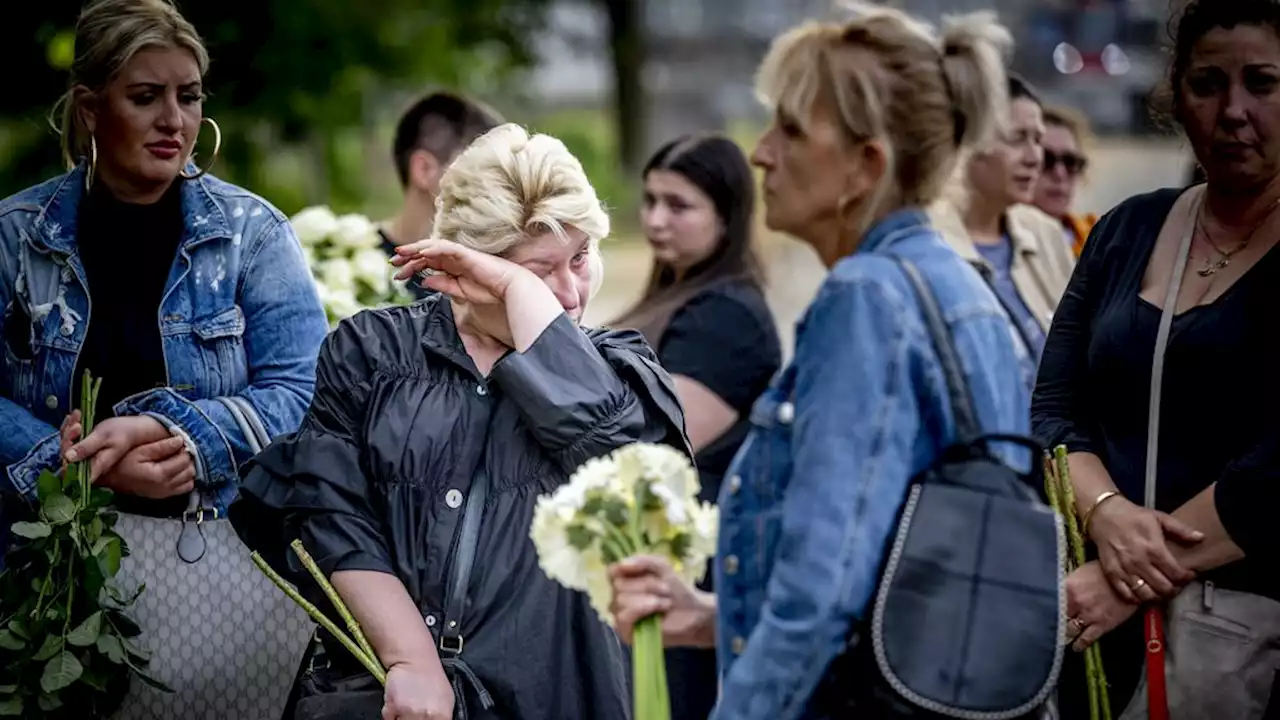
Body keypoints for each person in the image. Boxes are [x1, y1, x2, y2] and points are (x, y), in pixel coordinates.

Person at [609, 9, 1038, 719]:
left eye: (791, 130)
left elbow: (822, 593)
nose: (761, 153)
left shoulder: (865, 297)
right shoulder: (959, 284)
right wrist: (717, 616)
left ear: (864, 166)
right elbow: (906, 572)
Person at [233, 123, 688, 720]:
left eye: (581, 257)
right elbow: (331, 514)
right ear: (466, 266)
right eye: (538, 272)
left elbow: (633, 483)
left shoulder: (622, 370)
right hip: (388, 702)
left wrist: (523, 298)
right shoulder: (371, 353)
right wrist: (411, 661)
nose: (571, 295)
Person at [1033, 1, 1280, 716]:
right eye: (1207, 84)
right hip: (1096, 624)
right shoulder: (1124, 230)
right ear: (1177, 93)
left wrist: (1132, 575)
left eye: (1261, 83)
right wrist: (1106, 515)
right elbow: (1054, 409)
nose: (1232, 111)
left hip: (1245, 638)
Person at [0, 0, 326, 520]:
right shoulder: (16, 236)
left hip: (211, 555)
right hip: (42, 571)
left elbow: (306, 395)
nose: (174, 120)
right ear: (90, 108)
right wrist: (73, 466)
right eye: (146, 97)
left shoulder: (253, 235)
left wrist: (177, 432)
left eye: (190, 97)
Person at [611, 134, 781, 720]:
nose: (656, 220)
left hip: (688, 580)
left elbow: (645, 444)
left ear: (727, 217)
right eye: (650, 200)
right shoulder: (677, 293)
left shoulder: (728, 317)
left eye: (678, 206)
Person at [930, 74, 1076, 363]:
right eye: (1017, 138)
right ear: (969, 141)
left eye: (1038, 139)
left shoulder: (1044, 234)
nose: (1035, 157)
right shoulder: (930, 244)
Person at [380, 91, 503, 299]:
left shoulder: (496, 272)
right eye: (485, 171)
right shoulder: (341, 263)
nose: (500, 189)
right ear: (424, 169)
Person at [1033, 105, 1097, 257]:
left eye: (1070, 162)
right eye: (1046, 159)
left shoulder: (1104, 237)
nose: (1059, 174)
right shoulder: (994, 241)